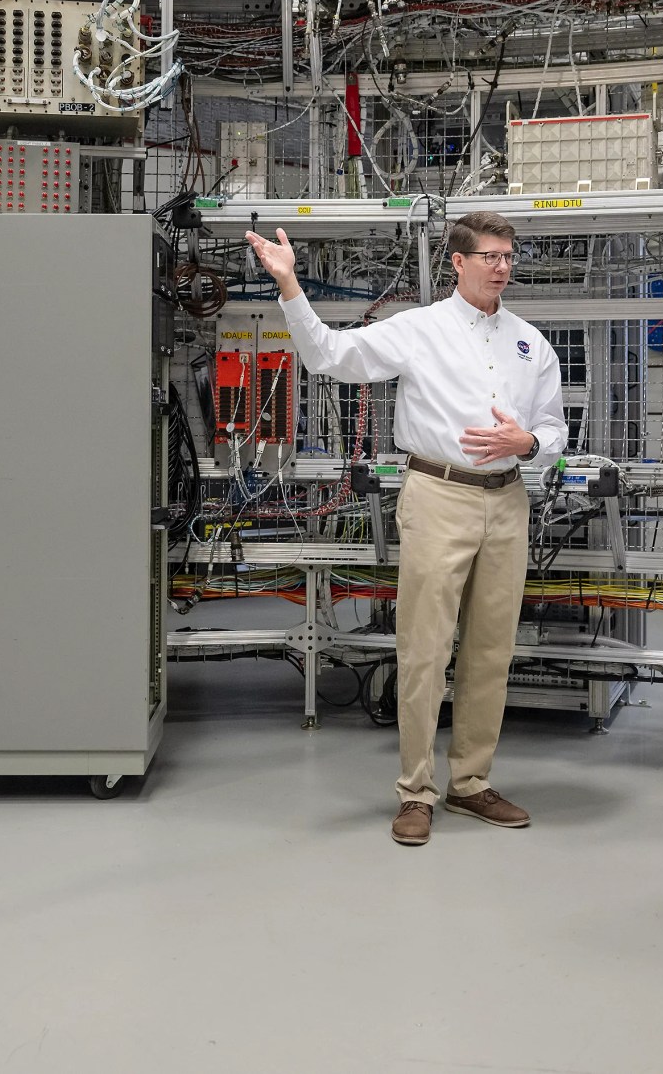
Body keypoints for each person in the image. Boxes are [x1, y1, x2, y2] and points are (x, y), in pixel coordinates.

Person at [246, 211, 567, 848]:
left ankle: (471, 784)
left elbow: (555, 431)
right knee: (424, 650)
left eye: (508, 256)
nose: (502, 267)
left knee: (491, 652)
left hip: (507, 500)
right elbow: (329, 357)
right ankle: (415, 791)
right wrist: (290, 287)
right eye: (490, 256)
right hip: (438, 495)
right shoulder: (420, 330)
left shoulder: (532, 343)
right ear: (458, 261)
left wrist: (529, 441)